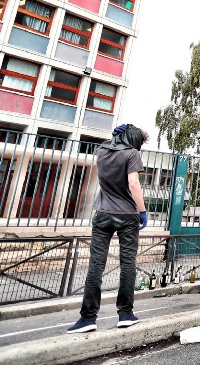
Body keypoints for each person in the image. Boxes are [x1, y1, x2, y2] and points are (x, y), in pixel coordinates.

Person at [67, 124, 149, 334]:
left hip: (102, 213)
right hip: (127, 215)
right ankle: (125, 314)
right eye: (140, 142)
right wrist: (142, 211)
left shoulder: (102, 151)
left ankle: (87, 318)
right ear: (134, 141)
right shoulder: (132, 154)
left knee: (96, 264)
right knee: (127, 263)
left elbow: (107, 144)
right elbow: (133, 183)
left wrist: (114, 136)